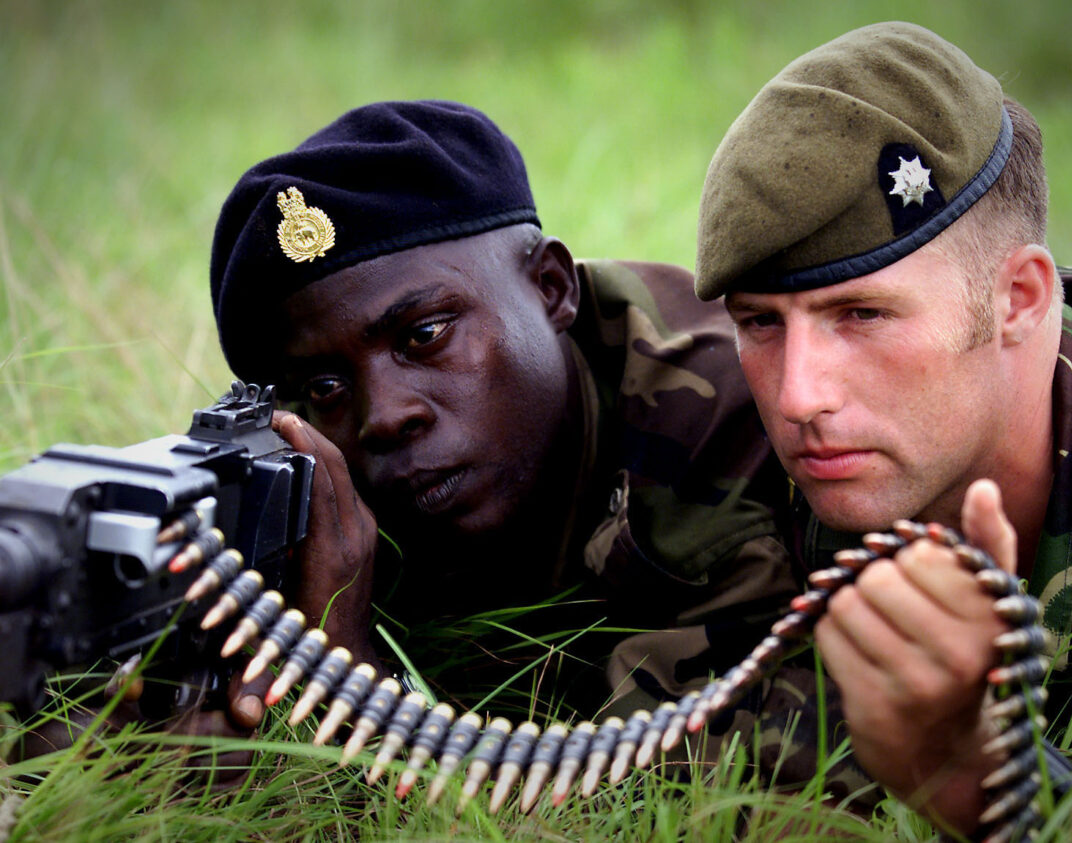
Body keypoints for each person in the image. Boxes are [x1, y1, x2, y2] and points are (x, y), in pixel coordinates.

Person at [693, 21, 1072, 837]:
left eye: (861, 314)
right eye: (759, 323)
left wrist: (981, 777)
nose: (798, 398)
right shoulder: (810, 440)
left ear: (1021, 299)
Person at [208, 101, 800, 732]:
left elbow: (665, 794)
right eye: (326, 384)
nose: (383, 417)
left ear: (552, 289)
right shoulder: (319, 471)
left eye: (426, 334)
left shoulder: (732, 422)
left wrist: (351, 668)